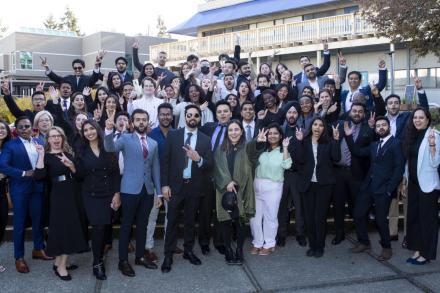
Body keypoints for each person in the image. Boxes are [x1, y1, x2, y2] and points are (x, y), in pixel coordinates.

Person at [104, 109, 162, 277]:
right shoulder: (125, 138)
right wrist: (108, 130)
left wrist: (158, 193)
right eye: (138, 120)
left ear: (148, 122)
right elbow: (109, 148)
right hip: (129, 189)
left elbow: (156, 168)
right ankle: (123, 261)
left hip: (148, 190)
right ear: (132, 123)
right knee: (126, 226)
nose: (141, 122)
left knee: (143, 225)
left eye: (144, 119)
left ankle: (140, 257)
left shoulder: (153, 143)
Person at [160, 104, 213, 273]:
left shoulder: (205, 139)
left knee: (190, 222)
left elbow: (210, 165)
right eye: (189, 115)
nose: (192, 118)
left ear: (200, 118)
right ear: (184, 116)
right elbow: (165, 161)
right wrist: (165, 185)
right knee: (172, 221)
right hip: (175, 187)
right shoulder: (174, 135)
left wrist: (198, 159)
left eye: (196, 115)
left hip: (195, 187)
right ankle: (168, 254)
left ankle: (188, 251)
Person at [345, 116, 404, 261]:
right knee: (358, 214)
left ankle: (386, 248)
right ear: (376, 129)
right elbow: (357, 151)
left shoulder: (396, 144)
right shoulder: (374, 145)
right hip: (368, 186)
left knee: (380, 220)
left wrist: (390, 189)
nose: (381, 127)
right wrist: (348, 137)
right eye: (378, 126)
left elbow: (399, 168)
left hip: (384, 189)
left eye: (384, 125)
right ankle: (364, 242)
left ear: (389, 127)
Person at [0, 116, 54, 274]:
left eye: (27, 126)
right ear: (16, 130)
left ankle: (38, 249)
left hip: (37, 188)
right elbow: (3, 165)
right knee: (19, 224)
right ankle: (19, 257)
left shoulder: (39, 142)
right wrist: (23, 173)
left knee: (38, 220)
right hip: (20, 189)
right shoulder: (10, 145)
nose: (24, 129)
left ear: (32, 127)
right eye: (21, 127)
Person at [34, 127, 88, 281]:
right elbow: (38, 176)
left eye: (59, 136)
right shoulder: (46, 156)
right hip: (58, 196)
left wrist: (71, 165)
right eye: (52, 136)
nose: (56, 139)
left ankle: (58, 261)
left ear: (63, 138)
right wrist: (41, 155)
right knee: (64, 229)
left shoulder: (69, 154)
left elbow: (80, 175)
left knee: (68, 227)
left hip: (73, 193)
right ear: (48, 139)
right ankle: (61, 267)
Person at [76, 120, 121, 280]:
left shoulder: (108, 147)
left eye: (91, 129)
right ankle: (97, 262)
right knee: (99, 226)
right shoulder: (80, 150)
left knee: (106, 224)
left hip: (108, 192)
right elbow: (79, 175)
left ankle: (101, 251)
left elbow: (115, 172)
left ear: (97, 130)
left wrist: (117, 193)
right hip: (91, 194)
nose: (89, 132)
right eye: (86, 130)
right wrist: (72, 167)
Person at [295, 117, 341, 257]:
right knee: (309, 217)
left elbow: (336, 157)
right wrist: (300, 141)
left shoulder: (328, 141)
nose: (317, 127)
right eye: (315, 124)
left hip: (324, 184)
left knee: (319, 217)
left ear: (324, 128)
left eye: (321, 125)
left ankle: (320, 246)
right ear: (311, 126)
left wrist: (336, 140)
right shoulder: (305, 141)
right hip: (307, 184)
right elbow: (300, 159)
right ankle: (312, 245)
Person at [213, 120, 256, 264]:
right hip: (224, 190)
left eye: (236, 129)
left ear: (242, 131)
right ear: (227, 133)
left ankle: (239, 249)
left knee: (240, 222)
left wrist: (261, 142)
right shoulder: (220, 149)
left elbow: (256, 153)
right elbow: (216, 168)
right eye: (230, 130)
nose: (233, 133)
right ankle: (228, 250)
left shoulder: (247, 147)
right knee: (225, 222)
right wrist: (227, 182)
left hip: (242, 190)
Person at [332, 103, 375, 245]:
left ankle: (360, 236)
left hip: (357, 174)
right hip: (338, 172)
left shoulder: (368, 128)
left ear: (364, 114)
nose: (357, 113)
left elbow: (373, 148)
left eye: (360, 111)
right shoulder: (340, 124)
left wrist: (372, 128)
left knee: (357, 206)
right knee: (338, 206)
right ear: (350, 112)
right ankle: (339, 234)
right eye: (354, 111)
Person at [402, 108, 440, 265]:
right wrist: (405, 180)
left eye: (421, 118)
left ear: (427, 119)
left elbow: (435, 162)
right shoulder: (411, 135)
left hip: (428, 185)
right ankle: (417, 249)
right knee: (414, 219)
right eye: (415, 117)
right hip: (413, 183)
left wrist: (432, 145)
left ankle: (426, 254)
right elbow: (408, 161)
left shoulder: (434, 136)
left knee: (427, 221)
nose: (417, 120)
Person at [249, 123, 292, 255]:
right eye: (270, 133)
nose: (272, 136)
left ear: (280, 136)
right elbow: (250, 157)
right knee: (254, 217)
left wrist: (285, 148)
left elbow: (287, 165)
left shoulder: (282, 151)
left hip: (273, 186)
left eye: (275, 133)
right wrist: (257, 141)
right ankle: (257, 242)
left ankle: (269, 243)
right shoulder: (262, 149)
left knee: (270, 216)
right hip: (257, 184)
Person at [199, 100, 233, 255]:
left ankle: (220, 241)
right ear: (216, 114)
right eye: (219, 111)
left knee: (222, 210)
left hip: (225, 177)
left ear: (231, 113)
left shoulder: (235, 129)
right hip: (207, 176)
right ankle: (204, 242)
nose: (222, 114)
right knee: (205, 211)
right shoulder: (208, 127)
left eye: (225, 111)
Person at [276, 103, 307, 247]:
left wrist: (300, 141)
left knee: (299, 206)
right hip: (282, 174)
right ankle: (281, 234)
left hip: (297, 174)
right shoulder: (280, 131)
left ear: (298, 115)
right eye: (289, 112)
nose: (292, 115)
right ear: (286, 114)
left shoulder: (303, 132)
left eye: (294, 112)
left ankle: (300, 234)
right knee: (282, 207)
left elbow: (303, 157)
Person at [0, 120, 11, 273]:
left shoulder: (8, 147)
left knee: (1, 221)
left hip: (2, 189)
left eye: (3, 128)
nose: (1, 130)